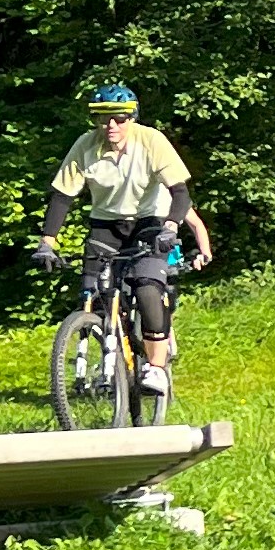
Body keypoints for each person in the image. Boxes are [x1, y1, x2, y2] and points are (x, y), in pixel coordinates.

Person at [32, 84, 214, 399]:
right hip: (106, 225)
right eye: (102, 120)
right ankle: (110, 360)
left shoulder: (151, 140)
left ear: (131, 118)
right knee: (94, 292)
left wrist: (170, 227)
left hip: (150, 222)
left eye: (118, 119)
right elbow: (62, 197)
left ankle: (156, 367)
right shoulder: (85, 146)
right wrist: (47, 241)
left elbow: (180, 193)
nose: (111, 126)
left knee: (146, 285)